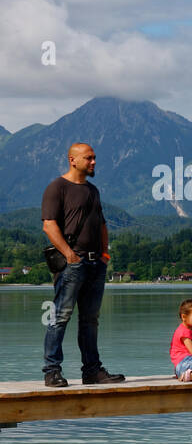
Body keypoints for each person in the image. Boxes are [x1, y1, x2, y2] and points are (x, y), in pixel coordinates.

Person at [40, 142, 125, 387]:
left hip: (95, 264)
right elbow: (49, 225)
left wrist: (105, 254)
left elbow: (101, 224)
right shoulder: (57, 187)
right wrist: (69, 255)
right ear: (72, 160)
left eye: (94, 158)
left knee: (90, 319)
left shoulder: (93, 190)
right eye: (89, 158)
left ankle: (92, 371)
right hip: (72, 264)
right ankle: (51, 371)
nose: (94, 162)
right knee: (59, 317)